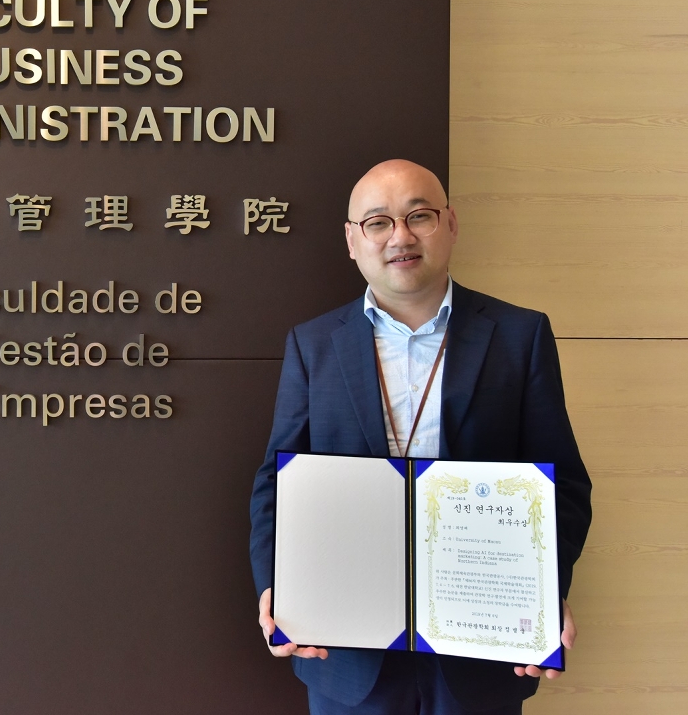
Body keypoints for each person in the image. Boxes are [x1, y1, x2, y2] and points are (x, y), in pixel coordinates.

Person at [248, 159, 593, 715]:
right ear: (352, 241)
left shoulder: (520, 335)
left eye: (419, 216)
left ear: (450, 223)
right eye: (378, 222)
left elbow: (564, 484)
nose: (400, 237)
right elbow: (276, 483)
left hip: (481, 644)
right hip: (345, 646)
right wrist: (276, 588)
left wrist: (543, 591)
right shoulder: (313, 345)